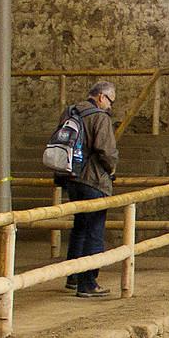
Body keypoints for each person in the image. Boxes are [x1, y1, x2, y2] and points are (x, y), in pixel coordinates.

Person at [56, 80, 119, 299]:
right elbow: (107, 151)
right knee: (94, 231)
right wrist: (112, 169)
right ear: (101, 97)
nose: (110, 106)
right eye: (110, 101)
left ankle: (73, 276)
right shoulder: (100, 117)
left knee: (80, 227)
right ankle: (88, 283)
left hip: (71, 178)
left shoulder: (70, 112)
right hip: (93, 180)